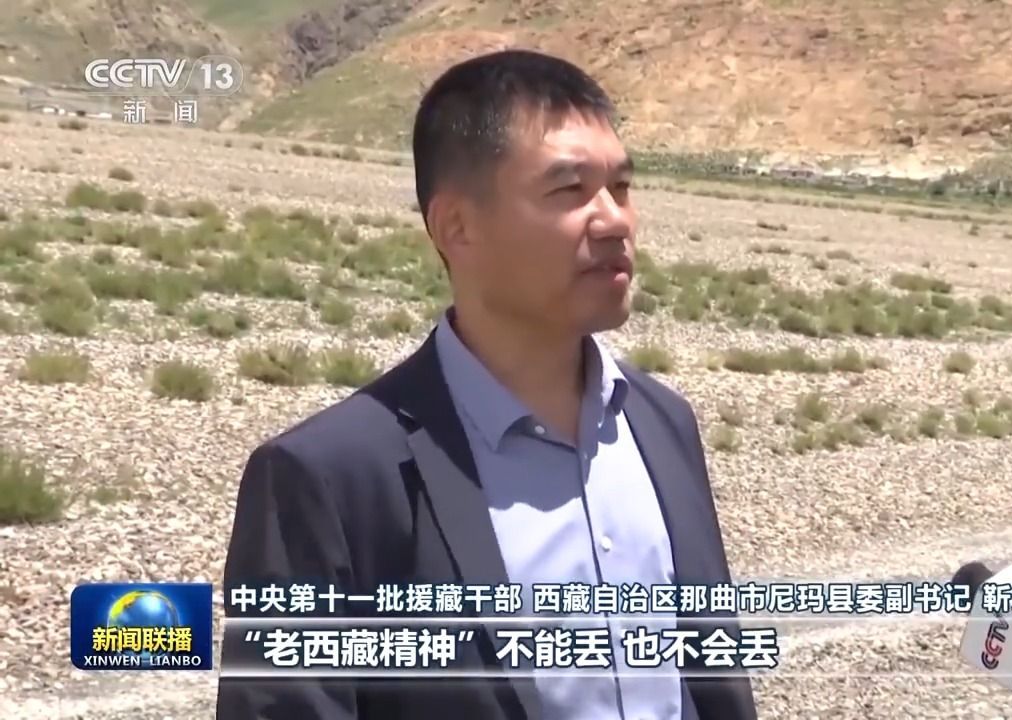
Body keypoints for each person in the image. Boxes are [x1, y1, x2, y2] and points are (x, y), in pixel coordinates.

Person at [214, 49, 758, 720]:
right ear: (457, 227)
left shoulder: (662, 422)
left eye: (620, 187)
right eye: (569, 190)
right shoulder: (328, 477)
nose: (615, 219)